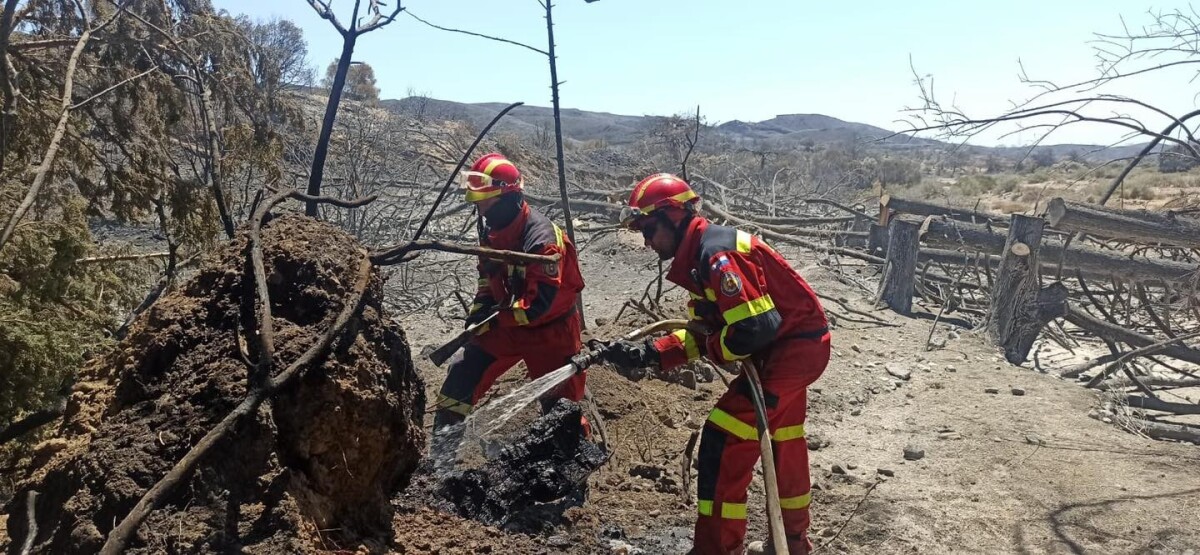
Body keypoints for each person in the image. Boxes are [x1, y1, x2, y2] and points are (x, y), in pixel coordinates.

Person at [605, 173, 830, 555]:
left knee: (722, 440)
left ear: (674, 216)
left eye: (649, 228)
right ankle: (791, 543)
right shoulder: (698, 256)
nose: (645, 240)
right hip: (797, 348)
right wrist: (651, 354)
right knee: (784, 440)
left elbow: (753, 329)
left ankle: (716, 548)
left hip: (788, 353)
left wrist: (714, 345)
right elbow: (702, 331)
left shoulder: (716, 255)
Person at [431, 153, 587, 451]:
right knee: (462, 373)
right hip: (509, 322)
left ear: (505, 197)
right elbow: (486, 284)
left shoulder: (542, 241)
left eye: (484, 200)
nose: (478, 208)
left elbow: (538, 306)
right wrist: (476, 319)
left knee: (561, 411)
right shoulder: (493, 235)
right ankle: (440, 458)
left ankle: (573, 472)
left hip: (551, 333)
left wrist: (496, 319)